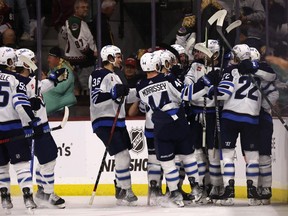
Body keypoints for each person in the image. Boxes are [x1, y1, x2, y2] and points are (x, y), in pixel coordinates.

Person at [136, 52, 203, 207]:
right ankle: (196, 188)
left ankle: (175, 194)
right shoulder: (167, 78)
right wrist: (203, 84)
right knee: (188, 157)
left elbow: (140, 102)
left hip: (160, 126)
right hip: (178, 121)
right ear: (157, 65)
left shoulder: (140, 86)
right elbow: (186, 94)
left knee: (167, 163)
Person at [15, 48, 68, 208]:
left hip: (39, 126)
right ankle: (48, 193)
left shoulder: (30, 81)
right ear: (26, 63)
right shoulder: (19, 83)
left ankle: (42, 191)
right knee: (49, 159)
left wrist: (55, 79)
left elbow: (42, 86)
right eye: (33, 60)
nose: (36, 63)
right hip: (33, 128)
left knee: (46, 160)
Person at [213, 44, 262, 206]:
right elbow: (272, 77)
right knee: (252, 157)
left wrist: (211, 89)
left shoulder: (230, 71)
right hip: (251, 119)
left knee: (227, 156)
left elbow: (222, 93)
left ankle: (229, 190)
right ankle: (252, 192)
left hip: (230, 117)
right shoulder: (259, 72)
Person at [89, 45, 138, 205]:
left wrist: (141, 90)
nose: (120, 59)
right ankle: (127, 190)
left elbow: (124, 97)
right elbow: (96, 97)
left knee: (125, 157)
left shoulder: (115, 76)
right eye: (117, 56)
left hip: (118, 122)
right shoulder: (99, 73)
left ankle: (120, 187)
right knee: (122, 155)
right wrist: (113, 93)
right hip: (105, 121)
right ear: (109, 57)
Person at [182, 40, 224, 203]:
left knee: (213, 152)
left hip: (213, 113)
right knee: (198, 152)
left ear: (214, 54)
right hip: (196, 113)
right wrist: (203, 83)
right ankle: (201, 185)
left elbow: (222, 94)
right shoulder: (195, 67)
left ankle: (216, 185)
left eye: (204, 52)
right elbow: (187, 90)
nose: (200, 54)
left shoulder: (221, 70)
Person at [0, 46, 38, 212]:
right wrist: (32, 122)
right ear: (8, 61)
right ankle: (27, 197)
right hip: (13, 128)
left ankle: (5, 198)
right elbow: (20, 104)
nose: (15, 62)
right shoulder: (15, 79)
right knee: (21, 165)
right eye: (13, 59)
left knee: (1, 167)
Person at [250, 47, 279, 205]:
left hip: (263, 120)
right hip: (249, 120)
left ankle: (266, 188)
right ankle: (255, 188)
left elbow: (274, 93)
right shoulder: (244, 77)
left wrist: (261, 106)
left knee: (264, 155)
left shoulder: (265, 73)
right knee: (252, 156)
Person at [61, 0, 97, 95]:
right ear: (76, 9)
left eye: (87, 7)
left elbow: (63, 34)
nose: (86, 9)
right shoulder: (75, 22)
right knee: (87, 90)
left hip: (76, 62)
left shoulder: (75, 21)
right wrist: (92, 54)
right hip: (83, 63)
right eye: (83, 7)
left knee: (77, 90)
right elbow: (79, 43)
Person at [42, 46, 77, 115]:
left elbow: (60, 89)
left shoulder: (65, 71)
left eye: (50, 58)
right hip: (54, 111)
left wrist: (46, 79)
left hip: (63, 111)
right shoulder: (53, 70)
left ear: (58, 59)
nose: (48, 60)